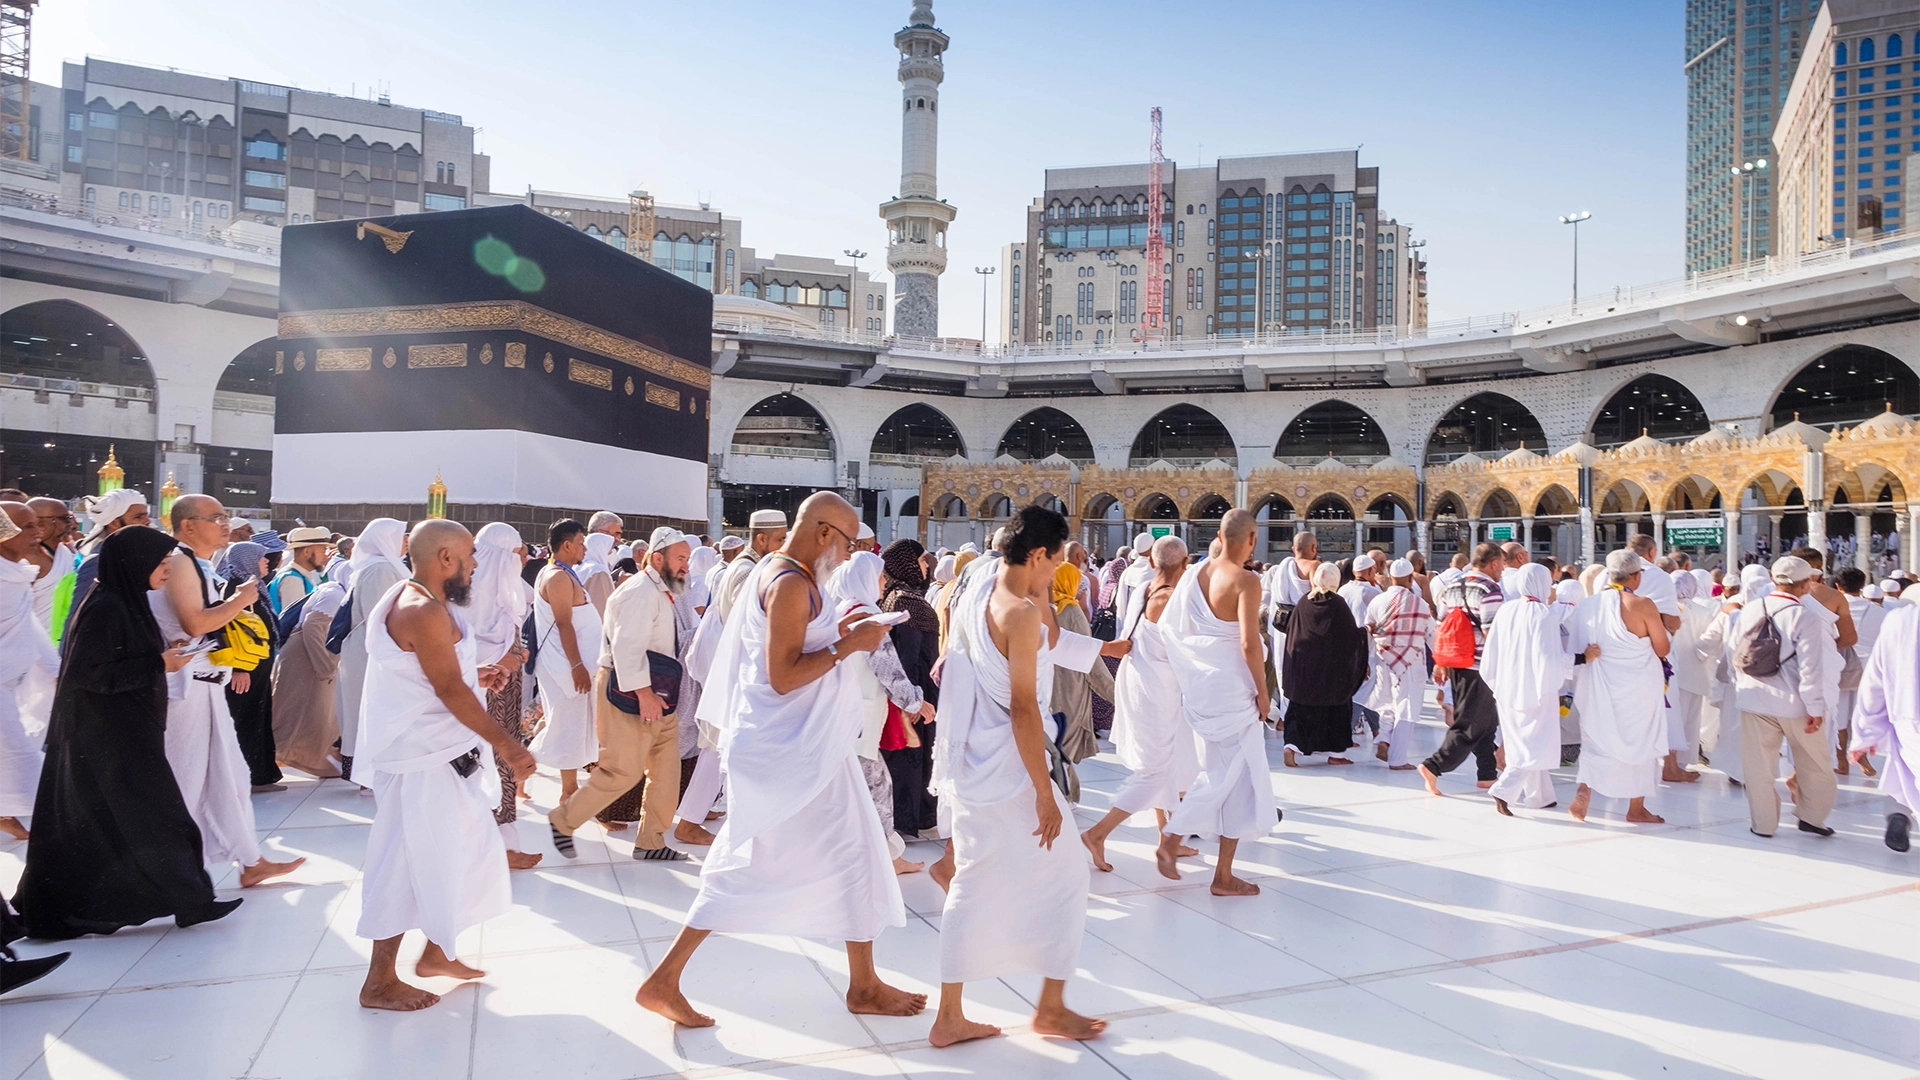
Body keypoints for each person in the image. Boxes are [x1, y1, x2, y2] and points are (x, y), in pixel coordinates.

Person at [637, 492, 919, 1029]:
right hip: (788, 753)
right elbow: (784, 675)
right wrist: (850, 644)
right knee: (747, 865)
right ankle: (664, 980)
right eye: (848, 542)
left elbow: (796, 647)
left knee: (858, 852)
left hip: (808, 749)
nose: (848, 554)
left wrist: (844, 632)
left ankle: (863, 984)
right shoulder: (790, 583)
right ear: (822, 533)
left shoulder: (785, 571)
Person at [927, 503, 1107, 1047]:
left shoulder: (978, 588)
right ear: (1036, 555)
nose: (1057, 574)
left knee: (986, 879)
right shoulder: (1019, 615)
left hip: (976, 760)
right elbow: (1026, 708)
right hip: (1011, 767)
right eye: (1054, 563)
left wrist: (1042, 593)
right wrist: (1044, 794)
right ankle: (1039, 1007)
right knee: (1063, 872)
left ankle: (965, 1012)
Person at [15, 525, 243, 937]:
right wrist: (161, 664)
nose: (167, 572)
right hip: (109, 737)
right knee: (159, 818)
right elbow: (91, 675)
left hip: (119, 732)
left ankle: (182, 900)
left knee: (99, 825)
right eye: (159, 564)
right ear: (133, 563)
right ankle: (190, 900)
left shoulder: (123, 602)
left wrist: (163, 656)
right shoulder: (107, 608)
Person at [354, 520, 538, 1011]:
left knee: (468, 852)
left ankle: (437, 951)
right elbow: (448, 689)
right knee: (404, 863)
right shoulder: (419, 608)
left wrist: (476, 674)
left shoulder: (425, 601)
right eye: (470, 554)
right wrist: (510, 747)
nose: (476, 564)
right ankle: (378, 981)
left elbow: (440, 673)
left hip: (439, 755)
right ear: (444, 558)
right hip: (420, 761)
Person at [155, 496, 303, 886]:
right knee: (184, 782)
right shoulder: (181, 560)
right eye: (216, 518)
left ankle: (250, 861)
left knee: (232, 777)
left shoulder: (196, 562)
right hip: (186, 692)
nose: (225, 525)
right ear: (188, 525)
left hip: (205, 687)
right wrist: (240, 601)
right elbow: (194, 624)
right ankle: (170, 870)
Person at [549, 526, 692, 863]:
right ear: (658, 559)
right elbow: (627, 648)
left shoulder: (661, 591)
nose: (687, 566)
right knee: (621, 771)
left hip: (659, 694)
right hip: (629, 692)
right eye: (681, 559)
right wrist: (644, 694)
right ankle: (563, 820)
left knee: (666, 770)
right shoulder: (640, 592)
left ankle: (651, 840)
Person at [1158, 509, 1275, 896]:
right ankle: (1173, 837)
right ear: (1252, 539)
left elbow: (1171, 629)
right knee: (1225, 778)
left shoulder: (1195, 574)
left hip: (1205, 688)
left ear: (1220, 536)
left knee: (1233, 780)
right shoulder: (1246, 580)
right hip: (1234, 690)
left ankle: (1223, 876)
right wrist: (1262, 690)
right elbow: (1248, 642)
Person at [1082, 534, 1198, 871]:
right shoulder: (1173, 599)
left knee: (1168, 763)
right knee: (1156, 769)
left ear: (1151, 561)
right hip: (1156, 691)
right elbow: (1185, 652)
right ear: (1186, 565)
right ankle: (1098, 833)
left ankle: (1167, 840)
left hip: (1139, 681)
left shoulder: (1144, 587)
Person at [673, 509, 789, 845]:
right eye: (779, 540)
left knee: (717, 750)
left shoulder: (754, 567)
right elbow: (751, 627)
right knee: (718, 749)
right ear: (762, 538)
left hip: (738, 673)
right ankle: (692, 823)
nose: (783, 547)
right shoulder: (746, 570)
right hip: (735, 674)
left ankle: (694, 817)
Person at [830, 549, 931, 874]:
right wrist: (917, 702)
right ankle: (886, 859)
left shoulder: (844, 609)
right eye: (879, 576)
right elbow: (889, 671)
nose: (884, 582)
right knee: (877, 788)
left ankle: (878, 855)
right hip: (859, 717)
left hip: (844, 714)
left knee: (859, 788)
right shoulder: (867, 620)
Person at [1731, 556, 1836, 839]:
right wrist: (1815, 707)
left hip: (1754, 698)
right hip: (1796, 704)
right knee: (1815, 763)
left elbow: (1734, 651)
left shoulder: (1751, 608)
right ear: (1805, 584)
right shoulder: (1805, 616)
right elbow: (1810, 667)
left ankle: (1763, 824)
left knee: (1758, 766)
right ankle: (1812, 817)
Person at [1566, 550, 1671, 824]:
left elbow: (1578, 647)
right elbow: (1663, 647)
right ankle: (1636, 808)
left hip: (1600, 686)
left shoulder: (1589, 605)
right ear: (1636, 576)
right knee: (1641, 742)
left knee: (1597, 739)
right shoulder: (1642, 604)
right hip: (1638, 689)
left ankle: (1584, 789)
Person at [1481, 564, 1581, 815]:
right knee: (1535, 744)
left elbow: (1491, 650)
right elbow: (1549, 658)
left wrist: (1496, 682)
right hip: (1535, 688)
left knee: (1523, 741)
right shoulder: (1543, 614)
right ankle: (1503, 789)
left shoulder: (1507, 609)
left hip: (1507, 687)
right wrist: (1581, 658)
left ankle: (1540, 797)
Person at [468, 523, 539, 869]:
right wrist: (507, 659)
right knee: (493, 764)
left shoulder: (503, 592)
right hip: (484, 694)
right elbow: (470, 650)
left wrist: (515, 656)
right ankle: (497, 848)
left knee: (500, 764)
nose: (522, 559)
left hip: (503, 690)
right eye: (517, 554)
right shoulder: (470, 595)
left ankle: (503, 844)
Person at [1418, 543, 1507, 796]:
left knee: (1487, 721)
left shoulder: (1451, 586)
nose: (1501, 569)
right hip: (1480, 665)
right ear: (1493, 563)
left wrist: (1441, 661)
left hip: (1457, 662)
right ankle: (1433, 765)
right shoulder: (1490, 589)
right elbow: (1492, 632)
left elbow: (1441, 626)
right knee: (1469, 724)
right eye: (1500, 563)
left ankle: (1487, 774)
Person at [531, 519, 602, 804]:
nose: (584, 547)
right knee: (567, 725)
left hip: (573, 664)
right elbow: (563, 624)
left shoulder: (564, 573)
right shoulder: (557, 577)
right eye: (581, 542)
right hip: (566, 666)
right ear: (567, 544)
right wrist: (576, 666)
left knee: (565, 723)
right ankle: (568, 790)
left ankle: (568, 788)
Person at [335, 518, 409, 782]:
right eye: (402, 536)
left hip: (373, 650)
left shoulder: (384, 567)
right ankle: (371, 776)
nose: (406, 542)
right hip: (373, 652)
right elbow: (382, 617)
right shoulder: (380, 570)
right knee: (372, 713)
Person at [879, 539, 942, 843]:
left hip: (910, 690)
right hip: (916, 690)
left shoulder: (894, 595)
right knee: (913, 753)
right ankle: (911, 816)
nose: (927, 566)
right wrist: (913, 700)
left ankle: (913, 813)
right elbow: (908, 654)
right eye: (920, 560)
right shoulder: (907, 601)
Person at [1, 505, 56, 839]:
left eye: (38, 525)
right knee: (21, 756)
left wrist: (58, 672)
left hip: (10, 683)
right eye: (27, 526)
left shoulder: (17, 573)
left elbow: (30, 628)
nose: (38, 533)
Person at [1282, 563, 1368, 767]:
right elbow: (1349, 637)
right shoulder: (1337, 604)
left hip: (1304, 671)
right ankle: (1336, 755)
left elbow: (1293, 634)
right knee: (1336, 711)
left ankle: (1291, 747)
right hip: (1331, 675)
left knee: (1300, 710)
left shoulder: (1304, 602)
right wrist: (1365, 632)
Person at [1850, 602, 1918, 851]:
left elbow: (1874, 683)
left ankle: (1899, 813)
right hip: (1910, 721)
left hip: (1911, 721)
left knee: (1908, 776)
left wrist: (1864, 732)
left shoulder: (1900, 620)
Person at [218, 539, 284, 791]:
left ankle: (260, 773)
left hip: (257, 666)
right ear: (247, 560)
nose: (267, 561)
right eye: (260, 557)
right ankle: (248, 776)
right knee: (245, 718)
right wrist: (239, 668)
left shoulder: (254, 587)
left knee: (257, 716)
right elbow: (232, 628)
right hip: (246, 668)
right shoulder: (237, 589)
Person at [270, 581, 345, 779]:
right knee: (294, 714)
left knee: (312, 716)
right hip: (304, 660)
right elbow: (312, 627)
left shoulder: (335, 591)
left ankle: (319, 762)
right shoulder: (334, 595)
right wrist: (326, 666)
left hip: (307, 658)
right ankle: (266, 761)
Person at [1366, 558, 1432, 770]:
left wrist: (1366, 660)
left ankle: (1384, 739)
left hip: (1382, 658)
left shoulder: (1377, 601)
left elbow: (1368, 631)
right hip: (1411, 661)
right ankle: (1398, 759)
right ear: (1411, 579)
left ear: (1391, 578)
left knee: (1388, 702)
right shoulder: (1419, 603)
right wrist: (1443, 660)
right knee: (1407, 707)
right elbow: (1432, 634)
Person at [1049, 560, 1115, 763]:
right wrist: (1115, 694)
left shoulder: (1045, 609)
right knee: (1065, 758)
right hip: (1070, 692)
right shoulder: (1072, 613)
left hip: (1046, 690)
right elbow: (1091, 661)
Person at [1833, 568, 1886, 777]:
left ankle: (1841, 761)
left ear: (1838, 586)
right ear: (1862, 587)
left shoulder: (1833, 608)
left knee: (1839, 716)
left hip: (1840, 665)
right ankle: (1861, 755)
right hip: (1868, 670)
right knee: (1861, 714)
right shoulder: (1879, 612)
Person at [267, 527, 332, 615]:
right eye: (322, 551)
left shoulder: (299, 575)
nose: (325, 556)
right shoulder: (293, 580)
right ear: (307, 551)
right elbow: (293, 619)